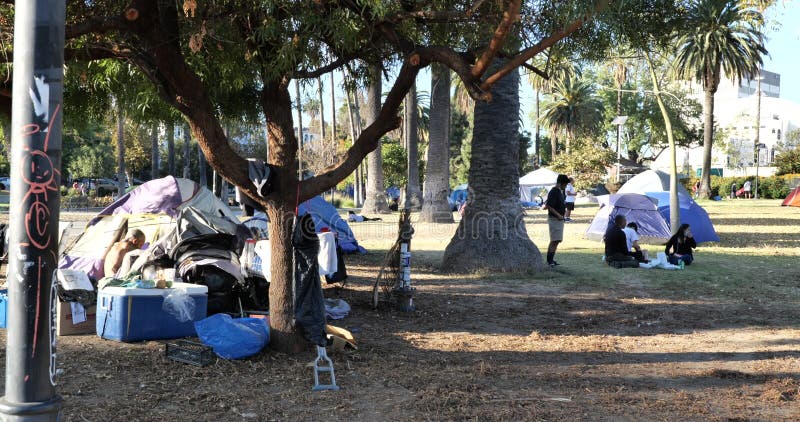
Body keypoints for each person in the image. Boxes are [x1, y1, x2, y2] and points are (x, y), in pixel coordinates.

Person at [543, 174, 569, 267]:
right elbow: (549, 206)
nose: (565, 186)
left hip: (560, 219)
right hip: (554, 219)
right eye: (565, 184)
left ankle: (552, 260)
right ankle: (549, 261)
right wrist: (558, 215)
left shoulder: (559, 192)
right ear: (561, 183)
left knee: (557, 240)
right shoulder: (554, 191)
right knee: (554, 240)